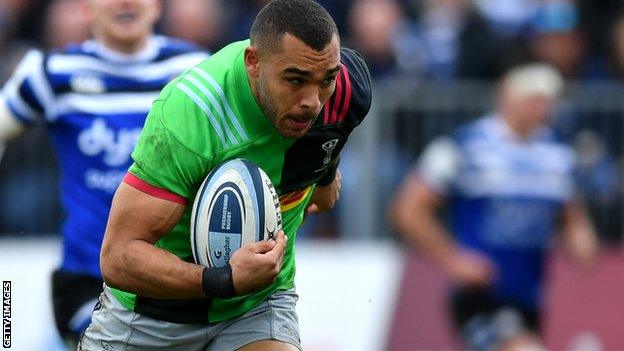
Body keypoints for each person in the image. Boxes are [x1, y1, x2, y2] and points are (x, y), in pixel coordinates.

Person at [79, 0, 372, 350]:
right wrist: (224, 280)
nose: (312, 100)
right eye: (295, 80)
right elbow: (118, 257)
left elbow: (334, 130)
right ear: (253, 63)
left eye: (325, 80)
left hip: (256, 305)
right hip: (151, 317)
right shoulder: (191, 113)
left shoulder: (346, 89)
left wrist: (325, 175)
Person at [0, 0, 207, 347]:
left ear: (157, 5)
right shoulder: (52, 73)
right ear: (85, 8)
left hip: (174, 280)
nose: (125, 2)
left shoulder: (196, 70)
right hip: (86, 280)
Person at [391, 63, 598, 351]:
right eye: (533, 98)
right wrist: (453, 259)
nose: (541, 107)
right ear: (507, 97)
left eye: (547, 99)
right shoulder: (464, 146)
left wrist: (580, 237)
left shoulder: (558, 155)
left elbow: (570, 215)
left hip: (530, 295)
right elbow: (409, 208)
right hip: (481, 295)